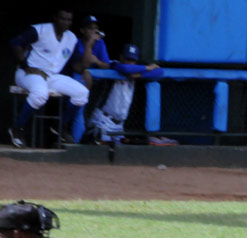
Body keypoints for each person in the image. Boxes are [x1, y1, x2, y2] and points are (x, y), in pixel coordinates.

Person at [8, 7, 89, 147]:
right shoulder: (40, 30)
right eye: (63, 18)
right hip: (28, 73)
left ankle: (59, 127)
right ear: (55, 18)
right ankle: (17, 129)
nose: (66, 22)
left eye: (69, 19)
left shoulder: (71, 38)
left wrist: (88, 50)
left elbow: (77, 66)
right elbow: (15, 42)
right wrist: (26, 65)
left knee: (82, 93)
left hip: (52, 76)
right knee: (40, 94)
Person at [84, 43, 165, 145]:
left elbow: (160, 72)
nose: (130, 63)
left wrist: (138, 74)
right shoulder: (114, 65)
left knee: (120, 153)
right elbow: (125, 69)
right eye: (127, 59)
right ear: (121, 57)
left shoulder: (138, 70)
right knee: (102, 149)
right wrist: (147, 68)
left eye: (133, 60)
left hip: (119, 124)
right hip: (103, 119)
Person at [70, 14, 111, 143]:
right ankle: (77, 142)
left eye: (95, 28)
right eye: (90, 28)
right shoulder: (76, 42)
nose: (94, 31)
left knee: (87, 112)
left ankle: (82, 140)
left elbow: (106, 65)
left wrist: (98, 61)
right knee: (78, 110)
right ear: (82, 30)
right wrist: (89, 44)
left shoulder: (100, 42)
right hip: (74, 81)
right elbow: (85, 65)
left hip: (94, 85)